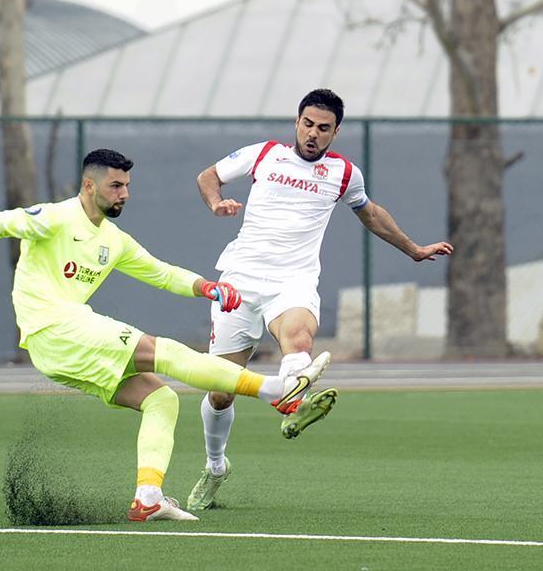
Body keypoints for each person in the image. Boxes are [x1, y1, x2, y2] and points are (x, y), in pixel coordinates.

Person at [0, 148, 331, 522]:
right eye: (116, 186)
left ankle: (148, 498)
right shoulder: (56, 217)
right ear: (89, 185)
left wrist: (207, 287)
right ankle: (276, 392)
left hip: (58, 349)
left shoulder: (113, 240)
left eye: (127, 186)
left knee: (161, 399)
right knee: (161, 350)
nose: (125, 194)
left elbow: (160, 272)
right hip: (55, 327)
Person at [188, 88, 454, 511]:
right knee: (221, 391)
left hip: (292, 282)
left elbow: (372, 214)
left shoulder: (344, 174)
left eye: (323, 128)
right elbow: (208, 176)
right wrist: (217, 203)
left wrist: (414, 249)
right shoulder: (264, 154)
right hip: (240, 280)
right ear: (296, 122)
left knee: (298, 337)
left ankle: (294, 400)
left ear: (336, 132)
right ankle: (216, 465)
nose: (313, 134)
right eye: (308, 124)